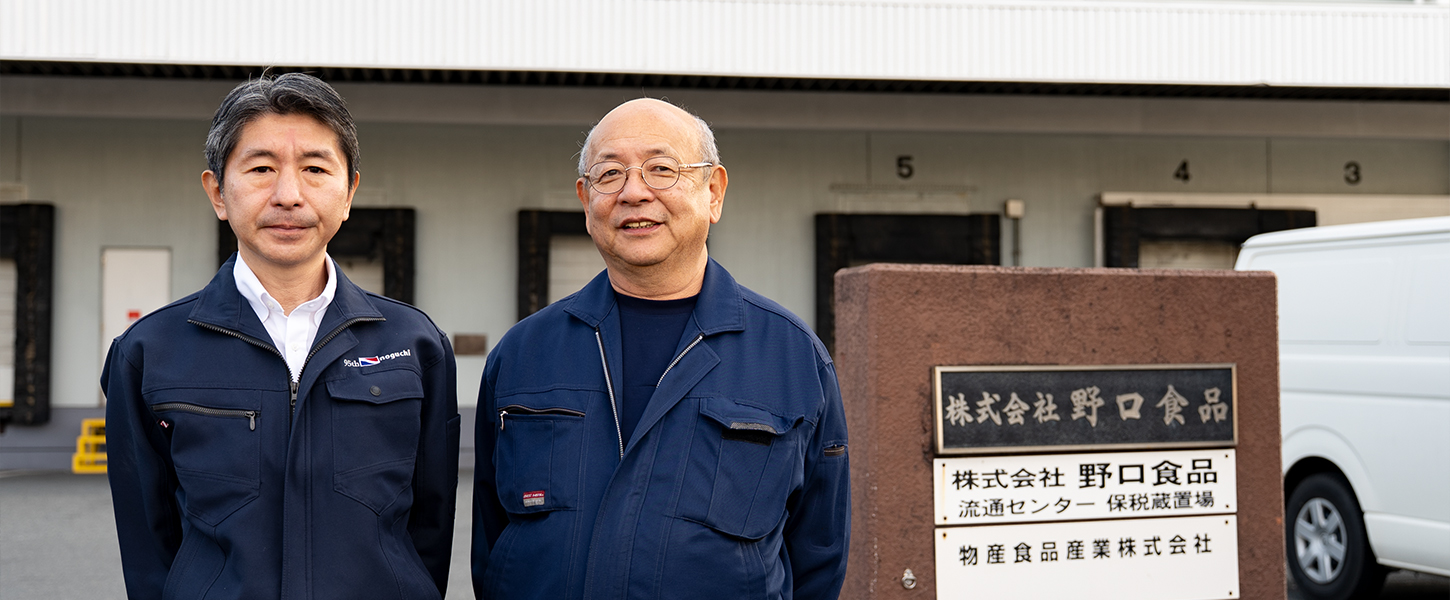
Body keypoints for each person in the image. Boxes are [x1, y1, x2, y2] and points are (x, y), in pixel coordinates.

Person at [472, 98, 850, 599]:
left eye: (661, 169)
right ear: (586, 200)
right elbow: (493, 542)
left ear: (713, 192)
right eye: (609, 174)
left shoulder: (792, 358)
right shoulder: (522, 355)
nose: (633, 193)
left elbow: (818, 558)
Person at [102, 73, 460, 599]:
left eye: (315, 169)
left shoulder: (416, 345)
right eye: (262, 168)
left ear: (349, 192)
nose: (289, 195)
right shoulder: (149, 353)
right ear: (218, 192)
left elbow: (430, 529)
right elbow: (147, 543)